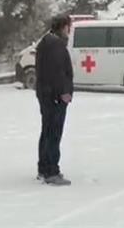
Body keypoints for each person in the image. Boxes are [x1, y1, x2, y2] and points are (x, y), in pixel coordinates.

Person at [35, 14, 74, 186]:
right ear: (62, 27)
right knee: (53, 133)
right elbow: (58, 72)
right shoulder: (56, 45)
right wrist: (64, 92)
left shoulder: (45, 41)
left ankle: (43, 167)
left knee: (47, 130)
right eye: (68, 27)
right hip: (54, 96)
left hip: (45, 93)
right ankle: (52, 170)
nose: (69, 30)